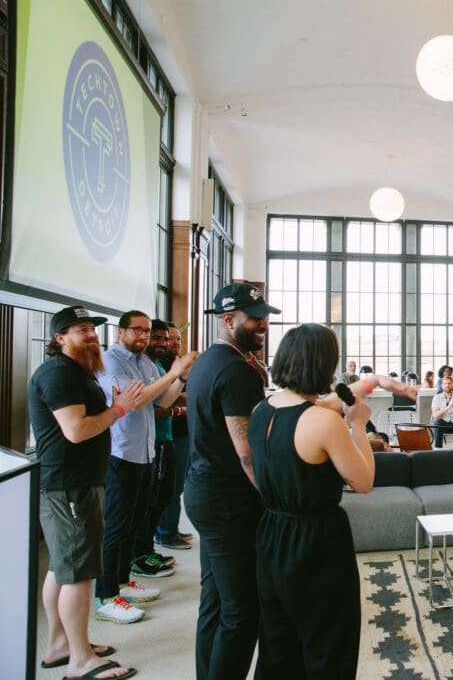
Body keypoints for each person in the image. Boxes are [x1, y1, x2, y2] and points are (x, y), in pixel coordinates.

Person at [248, 323, 373, 678]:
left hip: (271, 532)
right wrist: (359, 425)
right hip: (316, 542)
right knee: (328, 645)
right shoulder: (322, 421)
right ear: (323, 365)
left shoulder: (262, 410)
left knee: (278, 644)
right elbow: (363, 482)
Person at [29, 306, 144, 679]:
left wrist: (113, 408)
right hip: (70, 486)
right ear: (59, 338)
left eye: (93, 329)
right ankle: (80, 662)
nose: (92, 335)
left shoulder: (75, 372)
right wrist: (119, 409)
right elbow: (76, 430)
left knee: (63, 569)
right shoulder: (59, 373)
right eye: (81, 330)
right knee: (78, 573)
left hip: (74, 482)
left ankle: (61, 645)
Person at [185, 283, 280, 680]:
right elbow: (247, 456)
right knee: (242, 612)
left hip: (204, 493)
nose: (263, 324)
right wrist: (277, 499)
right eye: (254, 317)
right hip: (228, 504)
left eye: (264, 316)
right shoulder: (235, 371)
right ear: (228, 320)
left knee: (215, 603)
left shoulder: (209, 360)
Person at [95, 312, 194, 622]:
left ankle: (123, 582)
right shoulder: (110, 360)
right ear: (122, 331)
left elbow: (162, 402)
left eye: (147, 331)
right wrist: (173, 372)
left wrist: (178, 376)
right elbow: (134, 400)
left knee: (135, 522)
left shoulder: (146, 363)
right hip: (120, 453)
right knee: (115, 526)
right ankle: (106, 595)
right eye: (136, 330)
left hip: (145, 452)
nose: (143, 336)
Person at [155, 322, 193, 550]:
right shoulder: (162, 367)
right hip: (171, 432)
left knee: (176, 485)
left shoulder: (174, 365)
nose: (175, 343)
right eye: (171, 339)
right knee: (171, 486)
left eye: (179, 339)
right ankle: (166, 532)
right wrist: (181, 407)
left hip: (181, 432)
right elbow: (162, 402)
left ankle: (170, 529)